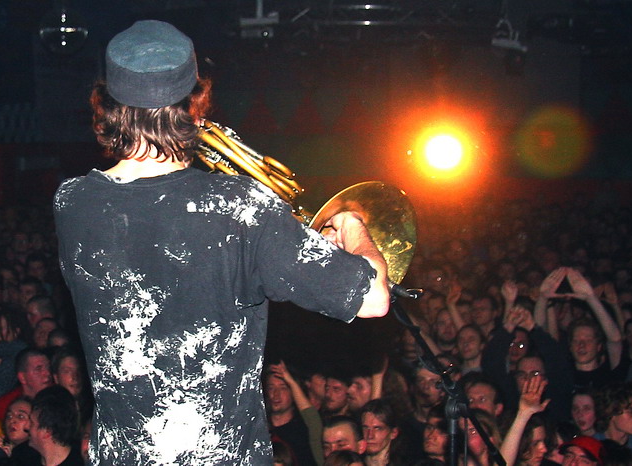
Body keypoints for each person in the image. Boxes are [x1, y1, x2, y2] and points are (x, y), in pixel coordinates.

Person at [53, 20, 390, 465]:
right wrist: (351, 223)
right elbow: (374, 299)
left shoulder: (72, 202)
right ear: (195, 103)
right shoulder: (243, 206)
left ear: (106, 104)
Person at [27, 385, 83, 466]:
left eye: (32, 423)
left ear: (47, 431)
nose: (26, 427)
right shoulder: (22, 457)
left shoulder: (83, 462)